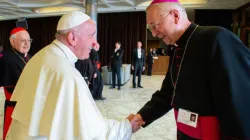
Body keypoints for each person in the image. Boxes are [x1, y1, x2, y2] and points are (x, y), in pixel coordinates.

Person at [6, 11, 144, 140]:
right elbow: (94, 133)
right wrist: (126, 127)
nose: (94, 43)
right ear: (72, 37)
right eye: (91, 36)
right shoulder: (67, 75)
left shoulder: (42, 55)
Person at [129, 0, 250, 139]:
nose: (154, 33)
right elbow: (168, 93)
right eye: (150, 28)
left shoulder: (215, 38)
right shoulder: (176, 49)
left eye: (155, 25)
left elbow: (240, 101)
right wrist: (141, 116)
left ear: (175, 15)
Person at [0, 27, 32, 140]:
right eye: (23, 40)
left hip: (30, 106)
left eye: (29, 40)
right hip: (14, 108)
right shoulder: (5, 58)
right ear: (12, 41)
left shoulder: (29, 57)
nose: (27, 43)